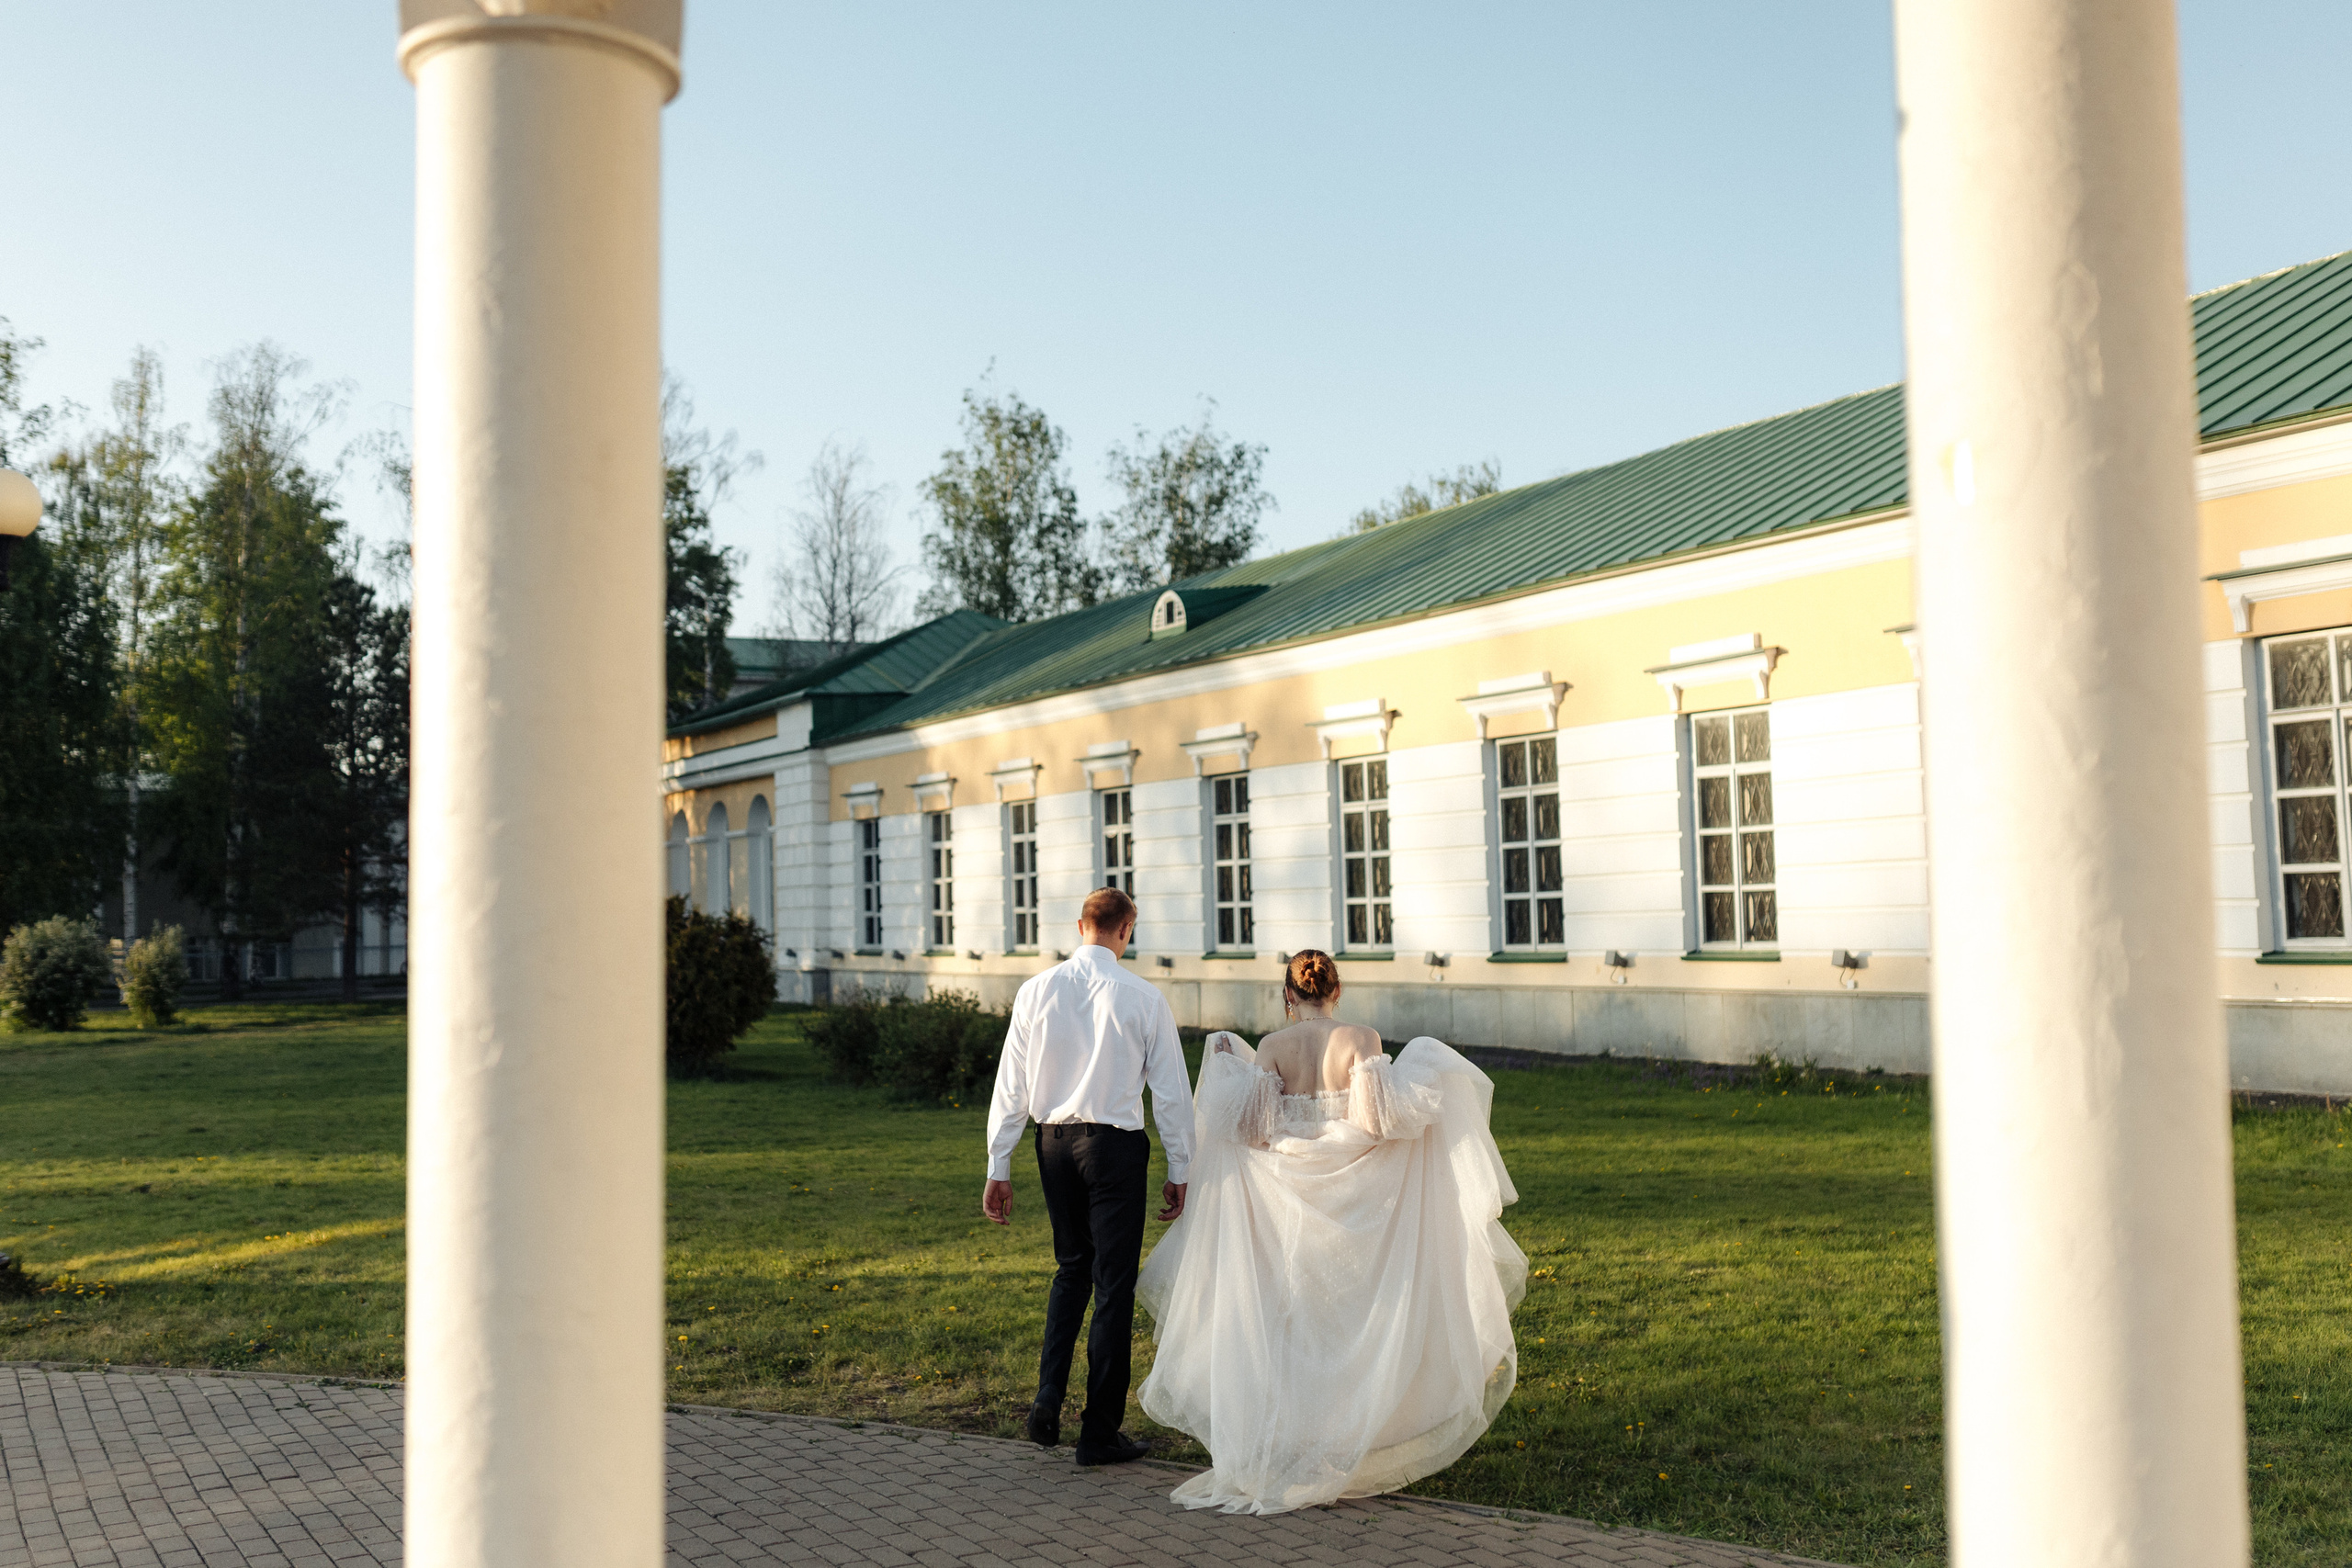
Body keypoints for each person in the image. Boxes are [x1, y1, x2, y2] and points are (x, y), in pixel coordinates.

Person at [1136, 950, 1527, 1515]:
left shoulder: (1273, 1046)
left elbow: (1256, 1129)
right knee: (1348, 1313)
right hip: (1356, 1199)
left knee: (1293, 1316)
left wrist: (1232, 1073)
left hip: (1284, 1200)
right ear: (1336, 991)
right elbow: (1375, 1122)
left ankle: (1298, 1438)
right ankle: (1350, 1433)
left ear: (1288, 996)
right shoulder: (1362, 1039)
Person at [982, 886, 1195, 1466]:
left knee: (1071, 1269)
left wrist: (999, 1164)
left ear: (1081, 926)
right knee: (1113, 1285)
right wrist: (1180, 1167)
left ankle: (1049, 1393)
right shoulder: (1143, 997)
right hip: (1114, 1149)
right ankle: (1098, 1431)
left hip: (1052, 1144)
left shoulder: (1035, 991)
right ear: (1127, 930)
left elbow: (1011, 1085)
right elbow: (1170, 1093)